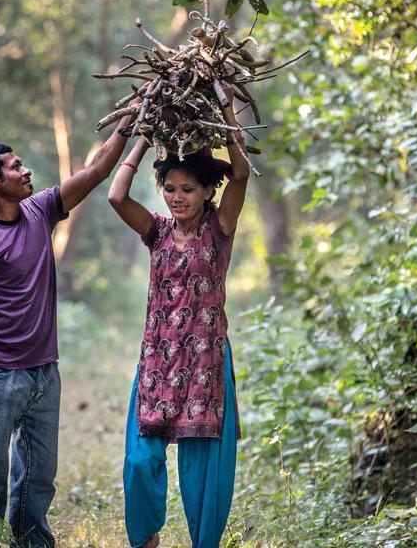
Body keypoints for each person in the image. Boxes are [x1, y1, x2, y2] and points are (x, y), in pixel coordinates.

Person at [0, 104, 139, 548]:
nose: (26, 171)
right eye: (15, 166)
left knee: (38, 482)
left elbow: (99, 169)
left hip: (46, 371)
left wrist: (131, 120)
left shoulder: (41, 209)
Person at [107, 104, 250, 548]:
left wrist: (227, 118)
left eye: (188, 188)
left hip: (206, 363)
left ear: (208, 191)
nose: (177, 197)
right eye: (169, 188)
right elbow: (116, 197)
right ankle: (146, 539)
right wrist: (144, 137)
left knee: (202, 470)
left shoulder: (220, 228)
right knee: (140, 459)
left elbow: (242, 175)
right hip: (157, 361)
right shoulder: (157, 230)